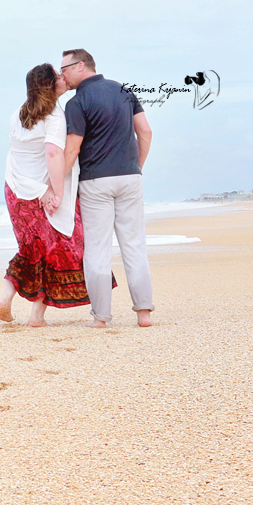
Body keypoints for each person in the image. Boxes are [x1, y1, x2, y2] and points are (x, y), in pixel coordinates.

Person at [0, 63, 97, 326]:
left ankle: (6, 298)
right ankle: (36, 316)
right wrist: (58, 192)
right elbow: (53, 154)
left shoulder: (19, 113)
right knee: (52, 250)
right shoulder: (54, 117)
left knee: (28, 248)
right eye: (58, 76)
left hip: (14, 189)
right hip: (40, 193)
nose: (64, 78)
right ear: (51, 86)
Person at [60, 49, 154, 328]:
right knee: (134, 245)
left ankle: (101, 317)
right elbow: (145, 131)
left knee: (98, 249)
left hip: (95, 181)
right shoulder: (123, 90)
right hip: (129, 177)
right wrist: (136, 166)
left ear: (80, 66)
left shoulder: (77, 102)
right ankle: (144, 313)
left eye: (64, 68)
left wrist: (54, 186)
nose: (61, 74)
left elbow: (73, 148)